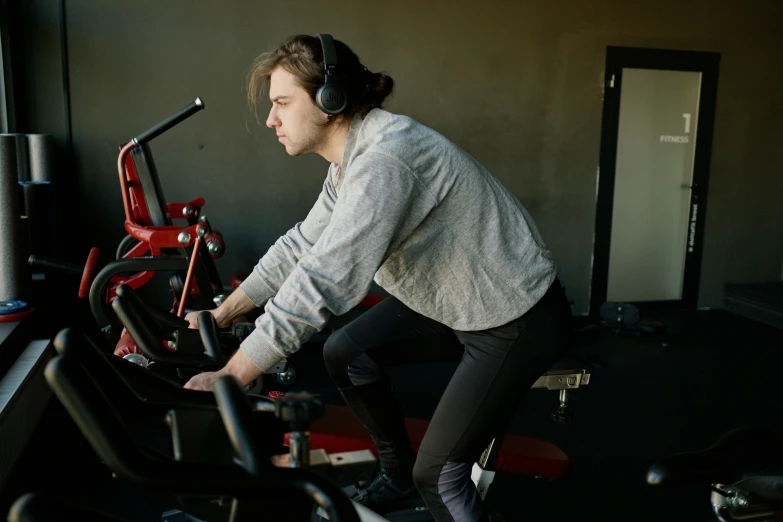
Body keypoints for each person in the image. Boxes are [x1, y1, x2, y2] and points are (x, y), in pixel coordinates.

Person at [184, 34, 573, 522]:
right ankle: (395, 471)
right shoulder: (352, 158)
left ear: (330, 101)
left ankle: (418, 478)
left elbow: (326, 278)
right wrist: (223, 313)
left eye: (282, 103)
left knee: (439, 477)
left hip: (516, 318)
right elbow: (302, 246)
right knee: (346, 352)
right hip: (455, 300)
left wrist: (235, 373)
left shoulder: (385, 161)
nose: (271, 119)